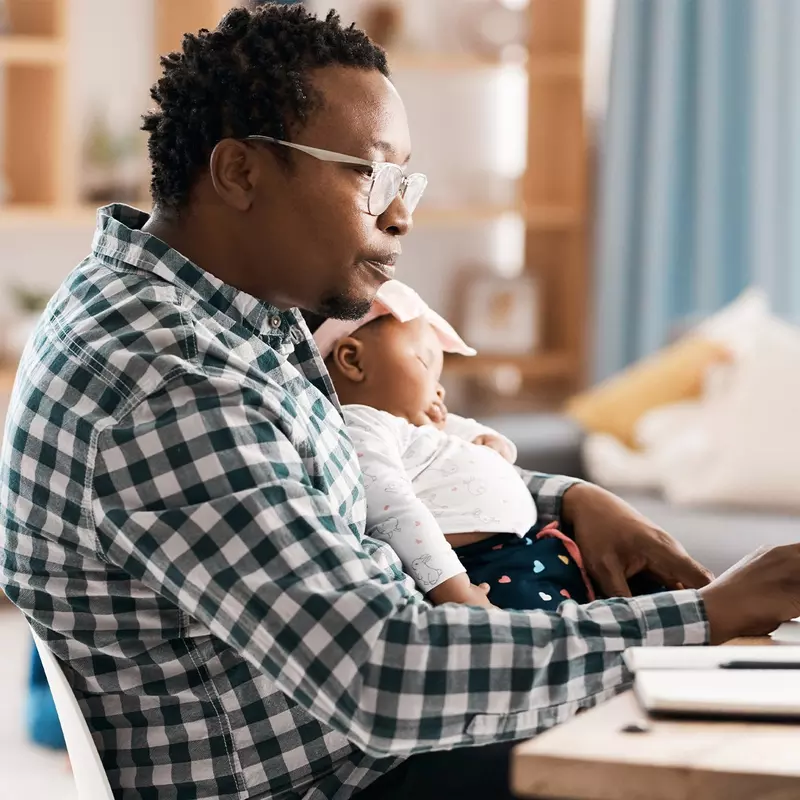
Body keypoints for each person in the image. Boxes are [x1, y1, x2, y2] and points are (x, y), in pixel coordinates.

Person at [1, 5, 799, 799]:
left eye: (404, 179)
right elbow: (384, 669)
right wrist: (705, 617)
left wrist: (567, 496)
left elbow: (364, 467)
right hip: (345, 775)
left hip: (365, 753)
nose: (403, 213)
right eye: (370, 174)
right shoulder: (164, 377)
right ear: (240, 172)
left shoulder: (232, 314)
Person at [314, 278, 596, 611]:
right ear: (354, 360)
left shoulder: (413, 427)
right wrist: (456, 592)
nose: (440, 390)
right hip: (478, 572)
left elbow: (471, 434)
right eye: (424, 363)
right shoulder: (363, 426)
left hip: (527, 550)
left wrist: (489, 444)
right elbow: (395, 514)